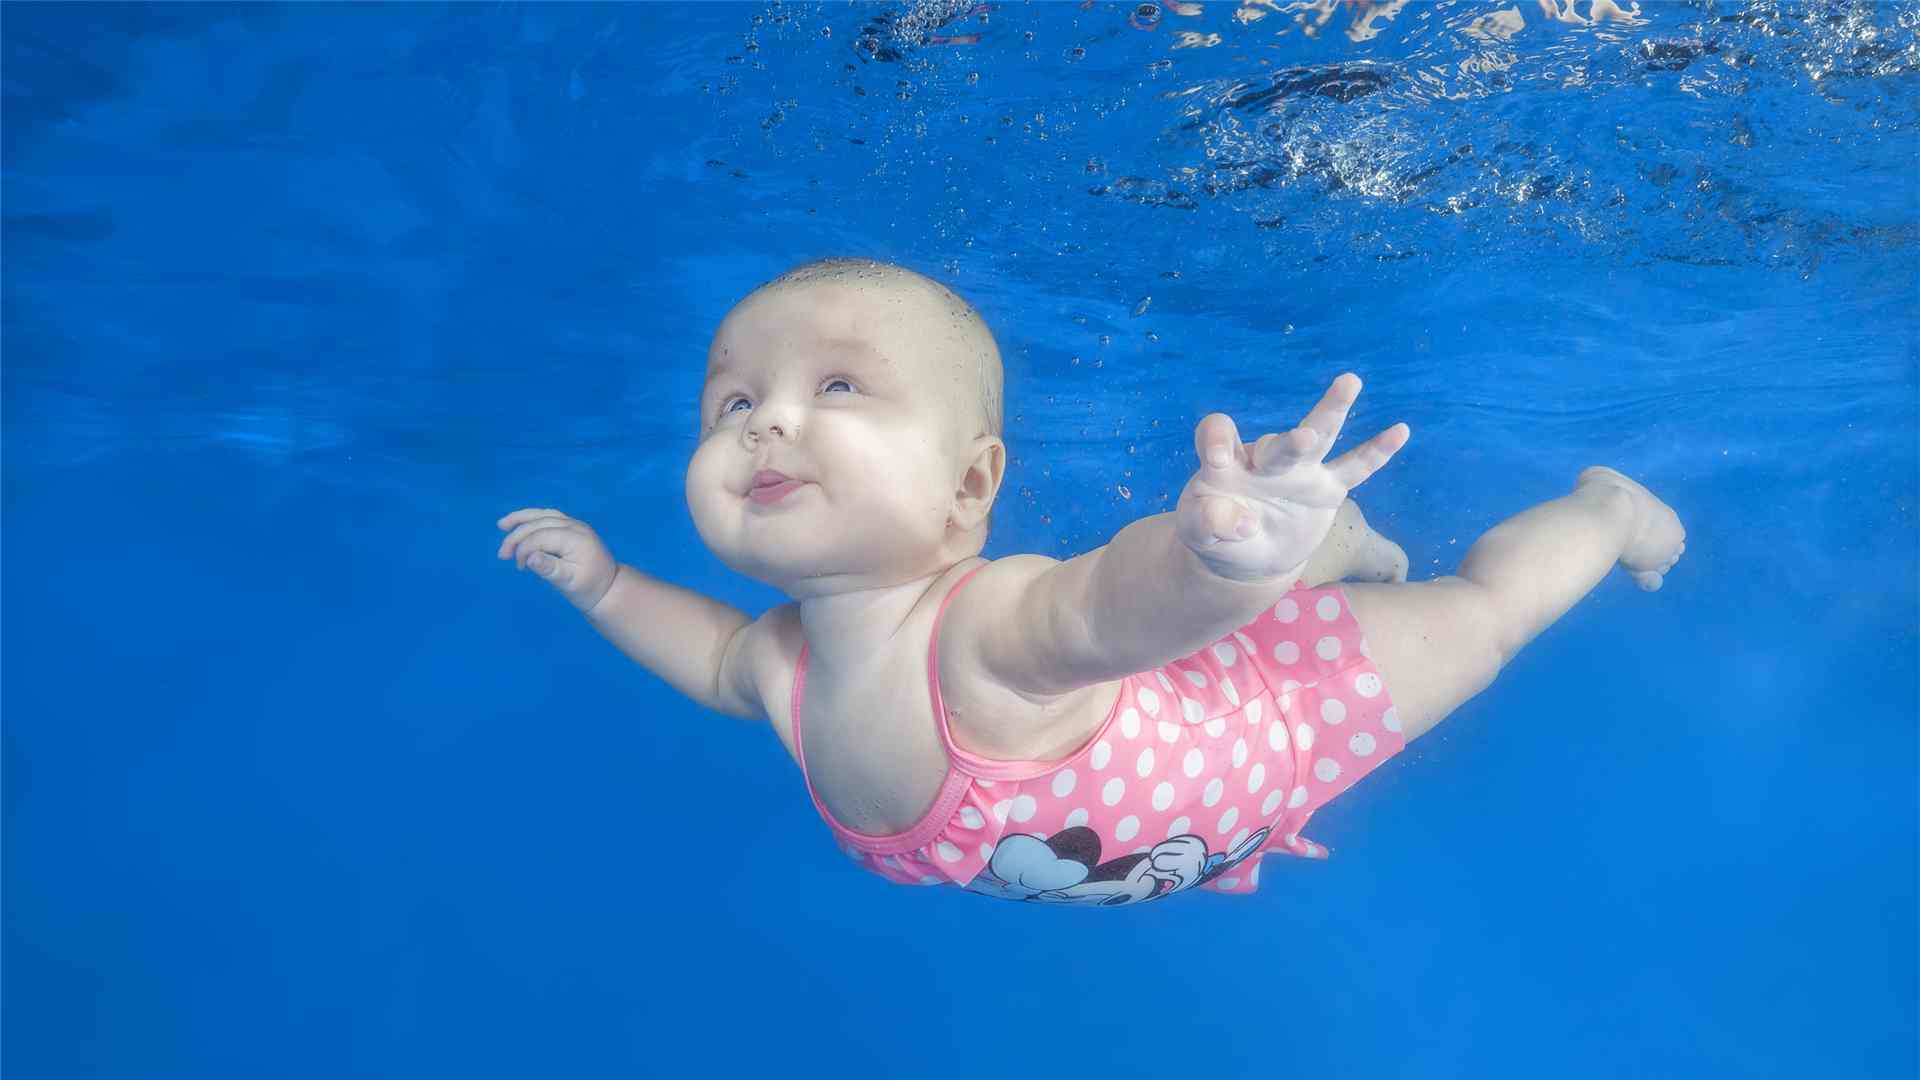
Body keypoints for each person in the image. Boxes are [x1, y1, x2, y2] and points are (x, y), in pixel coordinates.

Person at [495, 258, 1685, 907]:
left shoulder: (986, 630)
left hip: (1272, 720)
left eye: (837, 390)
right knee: (1262, 595)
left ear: (971, 487)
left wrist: (1216, 559)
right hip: (1186, 831)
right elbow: (709, 661)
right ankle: (1322, 559)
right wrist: (605, 587)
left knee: (1481, 618)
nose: (767, 426)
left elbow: (1120, 604)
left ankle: (1603, 509)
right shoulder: (778, 662)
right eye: (735, 403)